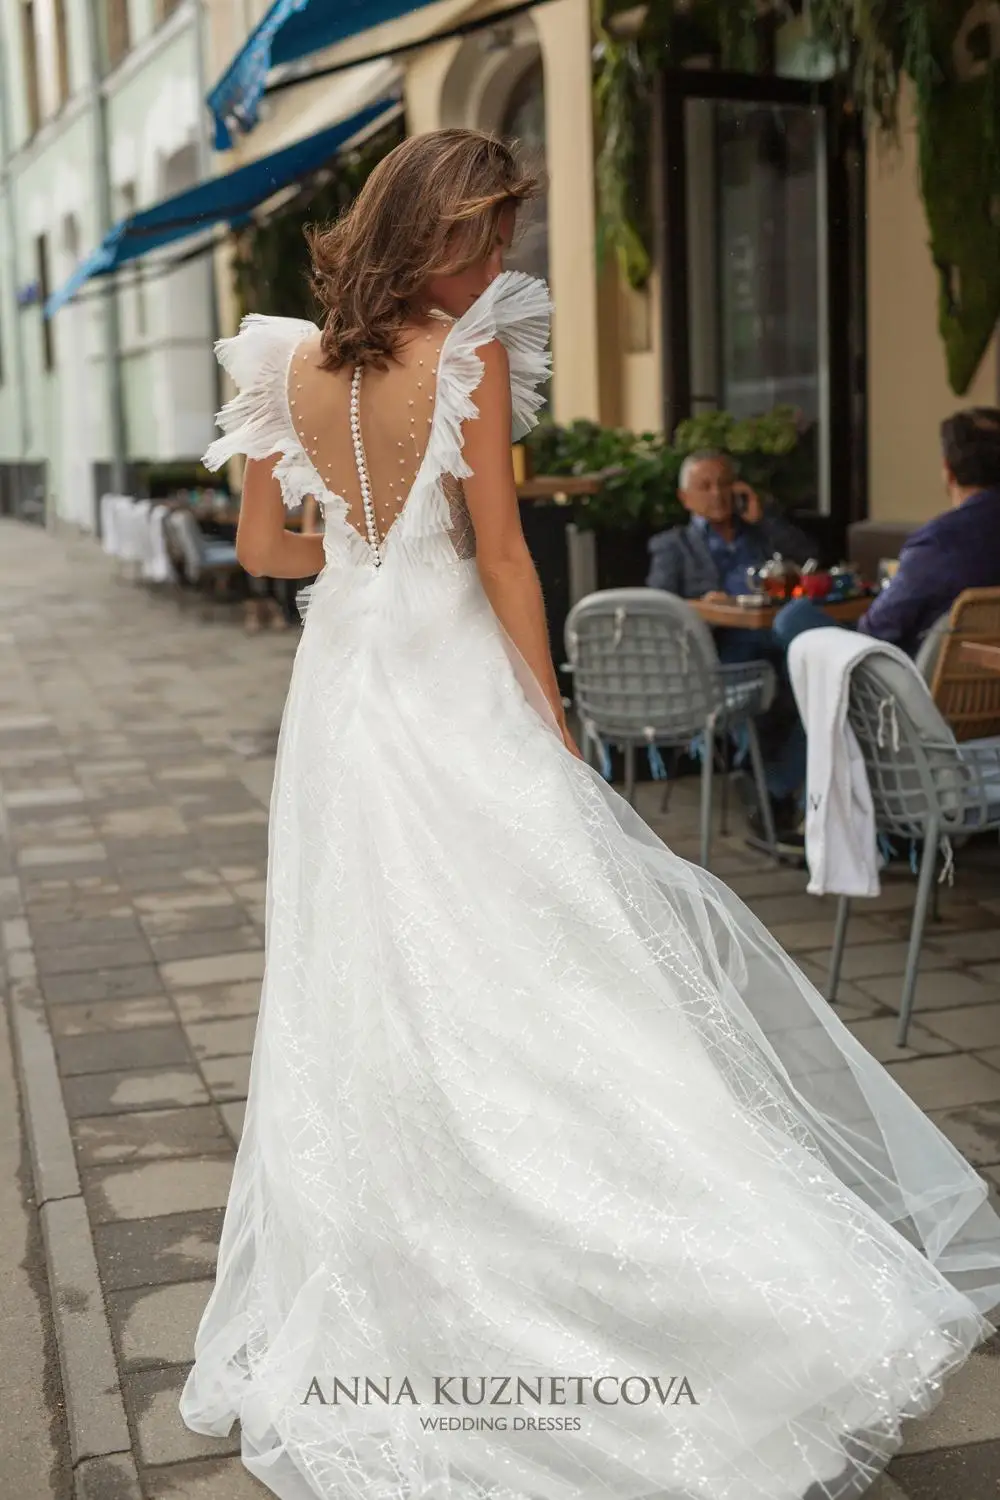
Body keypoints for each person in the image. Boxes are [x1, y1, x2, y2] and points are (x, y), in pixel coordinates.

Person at [179, 129, 1000, 1500]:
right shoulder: (465, 358)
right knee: (543, 942)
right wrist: (550, 712)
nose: (498, 261)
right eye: (484, 235)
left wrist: (365, 554)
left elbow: (267, 552)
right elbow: (504, 547)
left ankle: (419, 1246)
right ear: (430, 231)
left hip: (347, 687)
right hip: (450, 671)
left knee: (374, 962)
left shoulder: (282, 366)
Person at [646, 452, 816, 848]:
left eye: (725, 484)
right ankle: (771, 787)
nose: (717, 493)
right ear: (684, 497)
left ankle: (768, 783)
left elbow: (810, 560)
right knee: (768, 683)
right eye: (705, 486)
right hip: (719, 649)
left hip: (774, 636)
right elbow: (657, 607)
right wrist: (703, 603)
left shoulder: (758, 533)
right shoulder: (674, 546)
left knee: (815, 681)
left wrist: (764, 517)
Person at [775, 407, 1000, 658]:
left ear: (947, 470)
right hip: (987, 685)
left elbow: (876, 630)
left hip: (911, 685)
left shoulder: (938, 543)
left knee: (792, 617)